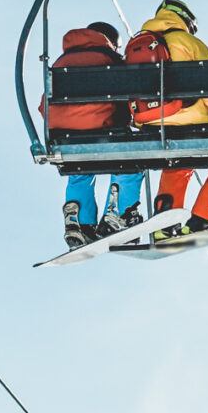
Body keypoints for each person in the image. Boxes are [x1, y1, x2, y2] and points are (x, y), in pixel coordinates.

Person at [129, 0, 208, 232]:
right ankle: (204, 216)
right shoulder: (189, 42)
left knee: (177, 164)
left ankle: (165, 221)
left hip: (150, 123)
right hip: (190, 119)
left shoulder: (136, 44)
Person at [43, 20, 141, 246]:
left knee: (80, 170)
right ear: (112, 43)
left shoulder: (60, 62)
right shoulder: (111, 59)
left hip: (65, 135)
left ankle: (79, 221)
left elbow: (44, 104)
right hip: (104, 129)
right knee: (129, 165)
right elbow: (129, 96)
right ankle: (119, 214)